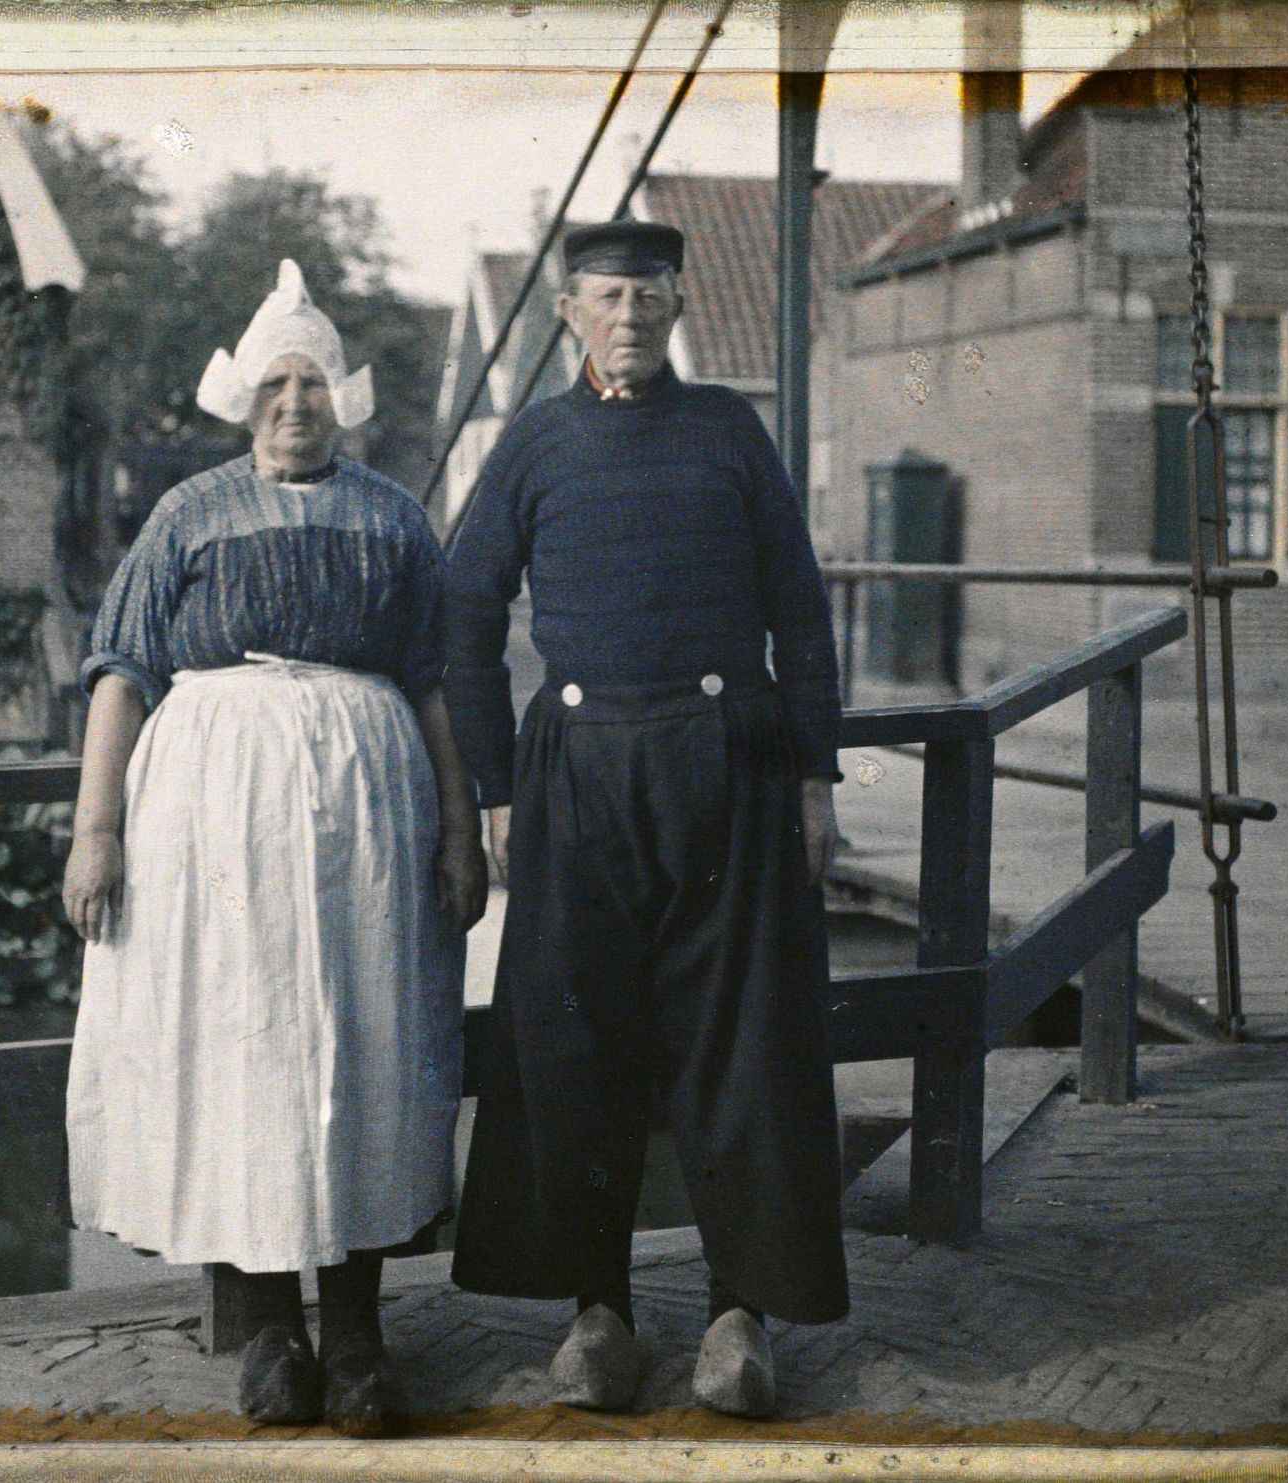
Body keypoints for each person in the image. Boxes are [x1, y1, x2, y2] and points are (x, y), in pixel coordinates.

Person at [61, 259, 487, 1434]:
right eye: (272, 385)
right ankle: (269, 1337)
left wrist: (460, 826)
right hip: (215, 831)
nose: (292, 402)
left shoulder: (394, 517)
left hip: (368, 822)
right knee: (241, 1055)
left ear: (340, 398)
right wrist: (96, 830)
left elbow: (434, 683)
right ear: (243, 400)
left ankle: (356, 1341)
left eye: (310, 382)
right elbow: (120, 674)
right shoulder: (186, 514)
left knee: (366, 1047)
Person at [443, 220, 848, 1419]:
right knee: (572, 1046)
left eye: (651, 295)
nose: (630, 314)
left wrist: (818, 779)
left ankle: (738, 1316)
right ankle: (597, 1313)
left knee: (747, 1046)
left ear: (678, 307)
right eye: (608, 295)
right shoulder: (535, 441)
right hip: (577, 781)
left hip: (732, 771)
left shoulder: (729, 429)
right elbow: (464, 609)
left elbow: (801, 611)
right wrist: (497, 785)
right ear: (566, 311)